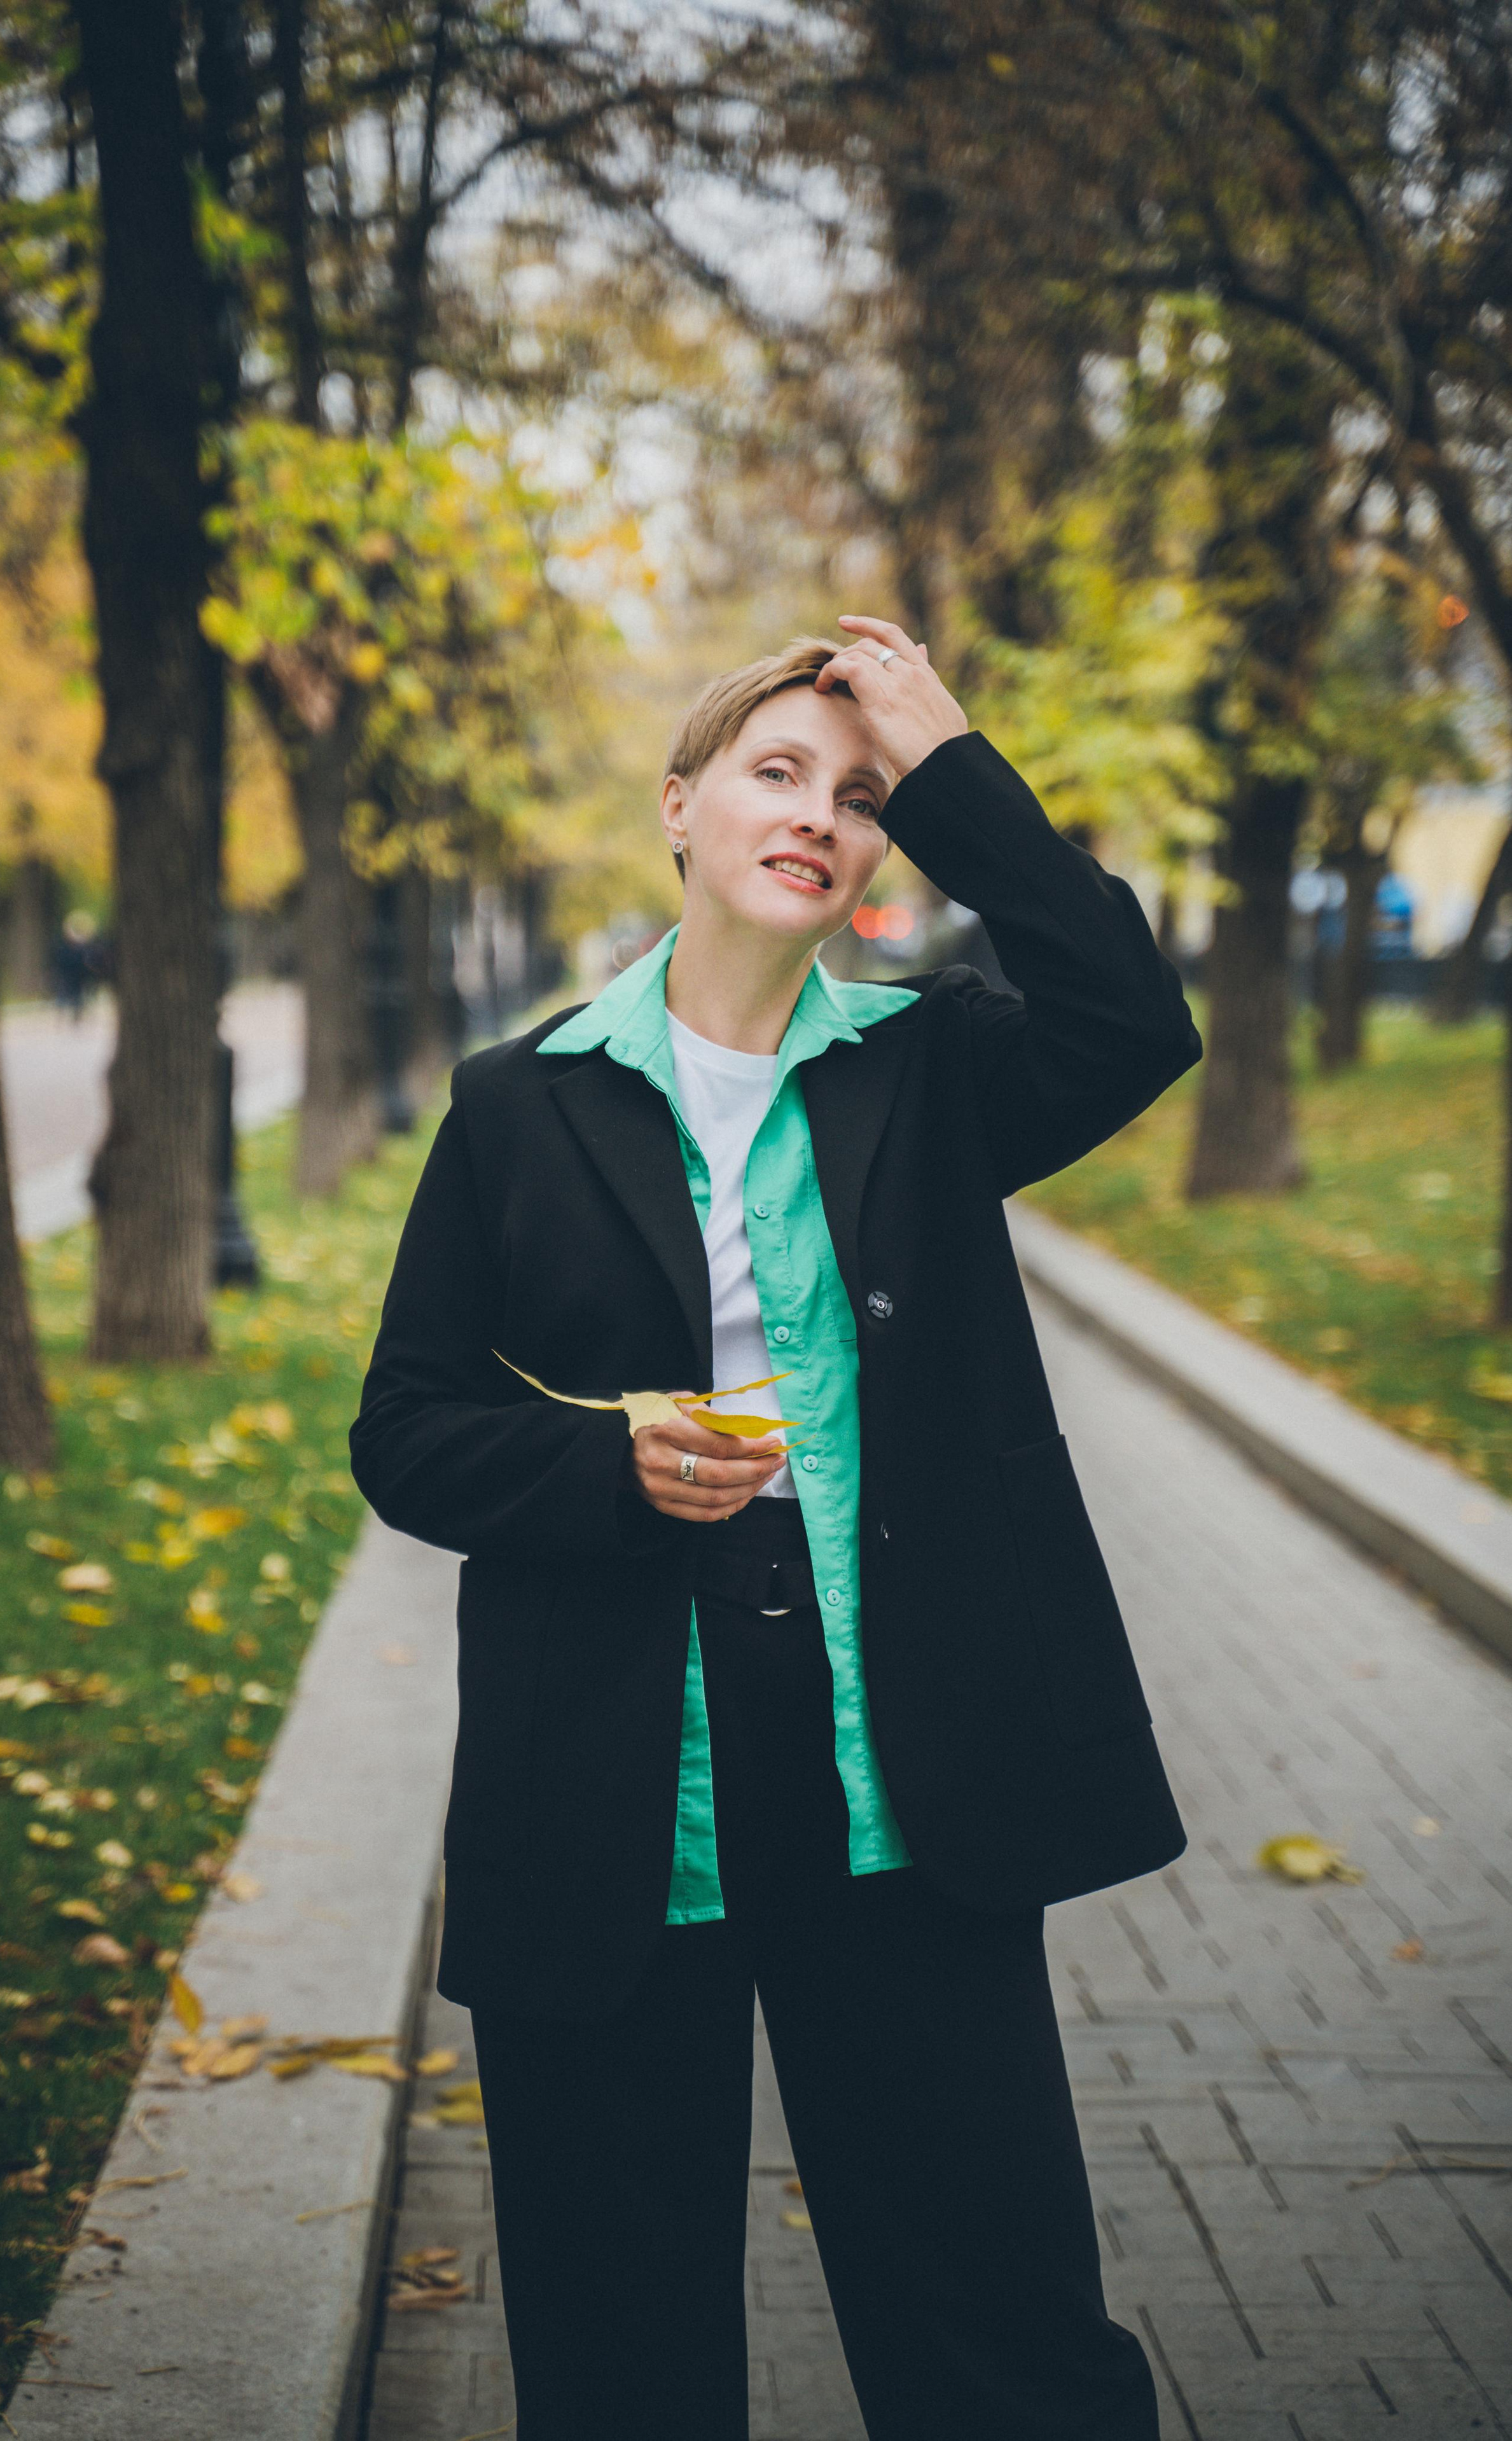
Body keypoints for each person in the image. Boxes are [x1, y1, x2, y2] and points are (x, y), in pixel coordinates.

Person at [350, 616, 1202, 2440]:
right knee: (620, 2350)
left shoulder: (932, 1065)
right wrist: (603, 1475)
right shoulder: (523, 1103)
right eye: (779, 769)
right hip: (615, 1802)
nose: (823, 811)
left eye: (864, 795)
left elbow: (1137, 1020)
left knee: (1003, 2332)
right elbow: (405, 1432)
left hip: (908, 1791)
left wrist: (955, 763)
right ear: (681, 807)